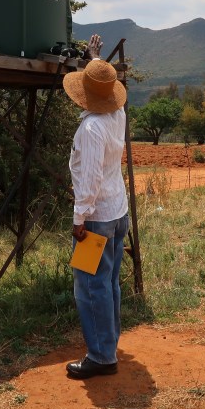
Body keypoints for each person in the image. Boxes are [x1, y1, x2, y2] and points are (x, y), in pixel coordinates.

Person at [62, 34, 129, 379]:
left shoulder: (90, 129)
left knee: (90, 287)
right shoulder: (116, 114)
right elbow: (107, 90)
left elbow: (87, 182)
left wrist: (79, 221)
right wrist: (94, 59)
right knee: (109, 282)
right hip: (118, 213)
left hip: (96, 219)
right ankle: (109, 343)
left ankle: (102, 356)